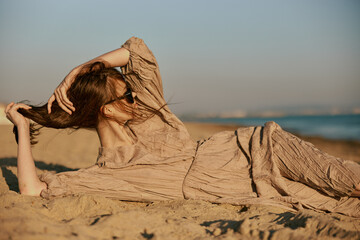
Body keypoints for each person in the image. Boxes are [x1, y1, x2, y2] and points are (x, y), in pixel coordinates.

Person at [5, 37, 360, 217]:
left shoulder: (148, 114)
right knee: (343, 208)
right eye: (126, 95)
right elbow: (32, 189)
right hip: (251, 188)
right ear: (106, 111)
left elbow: (136, 49)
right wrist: (22, 127)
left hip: (261, 148)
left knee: (347, 178)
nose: (135, 97)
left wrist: (78, 70)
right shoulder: (104, 174)